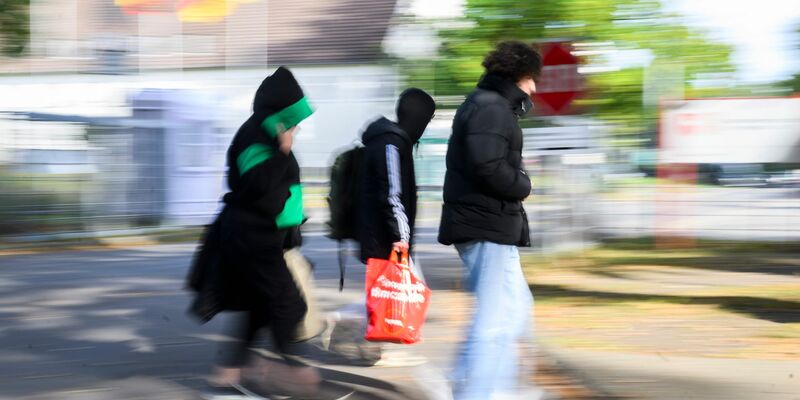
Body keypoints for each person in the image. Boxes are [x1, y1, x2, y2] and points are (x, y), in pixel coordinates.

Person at [198, 66, 319, 389]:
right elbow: (257, 188)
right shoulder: (256, 136)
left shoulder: (265, 132)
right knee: (288, 304)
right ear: (279, 113)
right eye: (292, 120)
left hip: (260, 236)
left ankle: (229, 374)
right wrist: (282, 152)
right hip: (252, 237)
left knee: (259, 305)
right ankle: (294, 373)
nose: (296, 127)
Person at [438, 41, 542, 399]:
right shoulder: (491, 108)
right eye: (532, 80)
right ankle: (478, 391)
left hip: (489, 223)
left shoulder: (489, 105)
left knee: (515, 308)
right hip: (486, 224)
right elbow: (488, 165)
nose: (534, 89)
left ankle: (475, 381)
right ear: (519, 76)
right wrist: (523, 184)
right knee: (497, 316)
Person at [357, 88, 436, 263]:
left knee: (398, 290)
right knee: (395, 290)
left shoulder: (394, 141)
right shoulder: (391, 144)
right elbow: (391, 195)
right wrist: (401, 237)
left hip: (387, 243)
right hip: (388, 245)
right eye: (427, 120)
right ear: (418, 117)